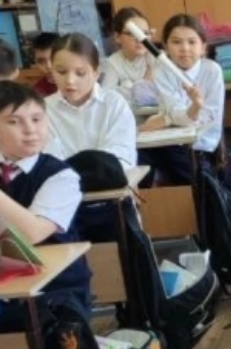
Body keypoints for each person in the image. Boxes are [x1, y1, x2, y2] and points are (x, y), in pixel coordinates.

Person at [0, 82, 90, 331]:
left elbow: (32, 233)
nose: (30, 130)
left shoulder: (61, 176)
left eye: (37, 119)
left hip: (54, 289)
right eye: (14, 122)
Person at [139, 14, 224, 185]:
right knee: (140, 160)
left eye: (192, 42)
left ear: (203, 47)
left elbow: (209, 116)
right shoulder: (161, 72)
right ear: (166, 47)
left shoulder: (212, 70)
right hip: (170, 142)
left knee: (191, 173)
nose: (184, 48)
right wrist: (183, 113)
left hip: (202, 143)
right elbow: (175, 110)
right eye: (176, 42)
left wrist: (168, 119)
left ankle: (208, 192)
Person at [44, 33, 137, 168]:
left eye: (80, 73)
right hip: (62, 181)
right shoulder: (43, 110)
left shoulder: (114, 104)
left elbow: (122, 157)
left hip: (110, 179)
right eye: (61, 72)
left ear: (96, 73)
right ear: (52, 71)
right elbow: (47, 162)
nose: (70, 81)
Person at [101, 7, 158, 110]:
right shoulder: (112, 63)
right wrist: (138, 87)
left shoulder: (156, 57)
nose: (140, 39)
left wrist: (126, 87)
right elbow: (106, 96)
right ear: (117, 37)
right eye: (132, 34)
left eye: (145, 33)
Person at [30, 32, 58, 97]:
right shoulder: (37, 91)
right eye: (41, 61)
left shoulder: (76, 84)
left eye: (53, 58)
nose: (48, 66)